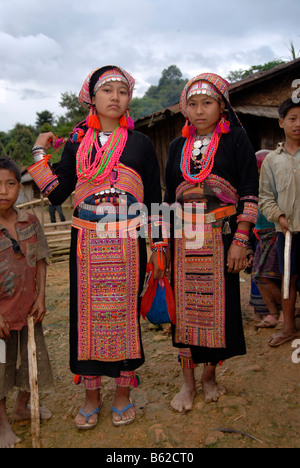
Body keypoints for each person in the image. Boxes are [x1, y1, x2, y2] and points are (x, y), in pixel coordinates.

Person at [27, 66, 164, 429]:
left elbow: (153, 197)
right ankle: (90, 395)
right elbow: (57, 191)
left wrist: (159, 243)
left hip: (127, 241)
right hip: (86, 241)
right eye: (108, 90)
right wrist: (40, 151)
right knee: (85, 317)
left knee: (124, 316)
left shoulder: (141, 143)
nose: (116, 97)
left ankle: (122, 393)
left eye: (123, 91)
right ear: (92, 97)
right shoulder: (77, 142)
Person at [164, 73, 259, 411]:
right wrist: (164, 246)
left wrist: (241, 240)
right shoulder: (177, 147)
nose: (200, 110)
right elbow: (167, 199)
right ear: (184, 109)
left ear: (221, 106)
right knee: (185, 315)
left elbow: (249, 191)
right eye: (193, 104)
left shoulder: (236, 141)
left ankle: (209, 377)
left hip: (221, 240)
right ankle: (187, 383)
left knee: (219, 314)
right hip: (184, 243)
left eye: (207, 102)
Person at [0, 157, 53, 448]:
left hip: (30, 311)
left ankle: (22, 406)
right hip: (1, 317)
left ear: (19, 188)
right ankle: (2, 423)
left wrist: (42, 297)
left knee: (30, 363)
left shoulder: (29, 221)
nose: (3, 191)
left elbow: (42, 260)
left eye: (10, 184)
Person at [259, 97, 300, 347]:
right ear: (281, 122)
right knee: (288, 281)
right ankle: (288, 328)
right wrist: (280, 217)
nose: (298, 124)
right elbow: (265, 197)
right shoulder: (272, 160)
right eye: (293, 119)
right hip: (287, 233)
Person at [249, 150, 282, 329]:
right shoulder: (254, 187)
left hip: (275, 236)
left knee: (269, 276)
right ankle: (273, 313)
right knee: (258, 276)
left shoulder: (277, 187)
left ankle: (287, 310)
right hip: (260, 238)